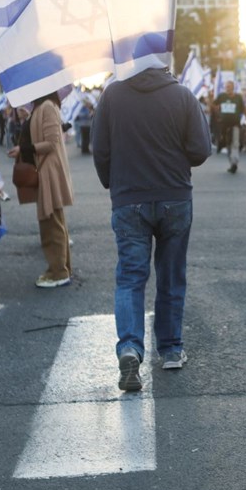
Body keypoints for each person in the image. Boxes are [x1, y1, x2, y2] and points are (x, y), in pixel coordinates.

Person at [91, 66, 211, 391]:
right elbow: (201, 150)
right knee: (171, 275)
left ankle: (130, 348)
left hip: (129, 198)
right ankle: (171, 349)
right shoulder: (183, 95)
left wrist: (112, 183)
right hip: (174, 195)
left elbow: (99, 149)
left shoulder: (113, 95)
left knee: (131, 277)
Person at [9, 92, 74, 288]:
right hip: (46, 169)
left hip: (49, 170)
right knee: (54, 220)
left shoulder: (46, 106)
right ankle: (61, 269)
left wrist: (24, 149)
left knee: (51, 222)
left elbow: (51, 142)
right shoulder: (41, 105)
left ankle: (58, 272)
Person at [214, 80, 244, 174]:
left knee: (235, 143)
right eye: (227, 87)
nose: (228, 88)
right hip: (224, 125)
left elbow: (244, 109)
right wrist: (218, 114)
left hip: (235, 124)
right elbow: (214, 104)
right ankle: (232, 163)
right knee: (227, 145)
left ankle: (234, 162)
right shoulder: (221, 96)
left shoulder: (238, 97)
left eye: (230, 86)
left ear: (233, 87)